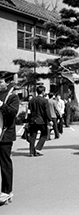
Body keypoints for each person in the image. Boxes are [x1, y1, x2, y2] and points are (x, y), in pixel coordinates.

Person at [0, 75, 19, 204]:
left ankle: (6, 191)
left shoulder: (12, 97)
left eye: (0, 82)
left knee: (5, 164)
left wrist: (1, 104)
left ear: (6, 83)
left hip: (4, 135)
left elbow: (12, 113)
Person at [28, 86, 52, 157]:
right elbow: (47, 111)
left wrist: (27, 120)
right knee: (44, 135)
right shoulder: (44, 101)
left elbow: (29, 111)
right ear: (43, 92)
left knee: (33, 136)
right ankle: (37, 148)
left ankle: (31, 152)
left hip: (33, 120)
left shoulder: (31, 100)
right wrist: (50, 120)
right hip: (42, 121)